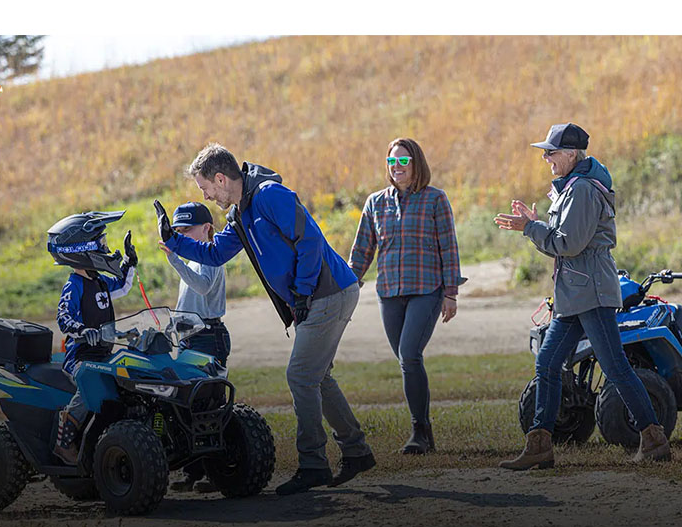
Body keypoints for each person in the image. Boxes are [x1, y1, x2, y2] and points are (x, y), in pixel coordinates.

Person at [154, 143, 375, 496]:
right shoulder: (241, 214)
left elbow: (310, 240)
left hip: (328, 293)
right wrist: (173, 242)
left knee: (301, 375)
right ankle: (356, 451)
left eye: (205, 188)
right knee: (317, 376)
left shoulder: (270, 196)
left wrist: (302, 292)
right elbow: (214, 253)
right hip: (319, 297)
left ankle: (314, 464)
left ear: (221, 178)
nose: (206, 195)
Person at [495, 122, 670, 469]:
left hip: (590, 293)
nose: (546, 158)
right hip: (576, 295)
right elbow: (565, 240)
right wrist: (534, 223)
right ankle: (540, 446)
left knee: (616, 367)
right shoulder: (574, 188)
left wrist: (529, 228)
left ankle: (653, 440)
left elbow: (568, 244)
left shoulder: (584, 191)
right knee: (547, 363)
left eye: (552, 151)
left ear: (572, 154)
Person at [349, 138, 463, 455]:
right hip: (389, 292)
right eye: (392, 162)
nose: (397, 168)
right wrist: (347, 285)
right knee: (405, 361)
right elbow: (361, 251)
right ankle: (424, 430)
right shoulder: (375, 203)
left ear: (416, 164)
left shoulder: (435, 200)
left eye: (403, 162)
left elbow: (449, 248)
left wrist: (450, 293)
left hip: (427, 289)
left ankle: (419, 432)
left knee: (410, 353)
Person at [47, 211, 138, 465]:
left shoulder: (97, 280)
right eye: (101, 244)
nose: (105, 248)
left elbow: (122, 286)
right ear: (82, 250)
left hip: (103, 354)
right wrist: (82, 330)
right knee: (92, 383)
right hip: (81, 356)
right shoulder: (74, 284)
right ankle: (63, 443)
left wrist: (129, 262)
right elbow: (63, 316)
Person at [158, 201, 229, 493]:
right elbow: (187, 304)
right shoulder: (192, 261)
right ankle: (193, 470)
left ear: (207, 228)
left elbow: (201, 287)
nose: (182, 235)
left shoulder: (212, 257)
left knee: (208, 407)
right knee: (185, 407)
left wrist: (175, 259)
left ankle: (217, 471)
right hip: (191, 337)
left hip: (209, 337)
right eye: (178, 231)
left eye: (187, 230)